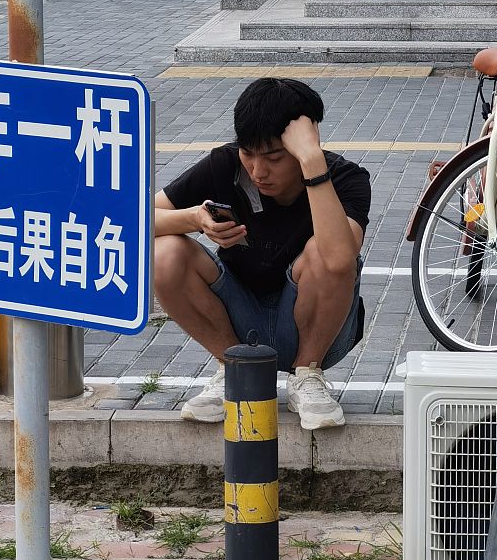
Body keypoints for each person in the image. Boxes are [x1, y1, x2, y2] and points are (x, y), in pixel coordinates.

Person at [154, 77, 371, 430]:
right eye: (248, 154)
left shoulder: (346, 179)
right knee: (164, 251)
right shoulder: (225, 165)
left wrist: (312, 163)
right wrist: (193, 218)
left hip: (319, 332)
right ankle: (233, 370)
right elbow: (139, 218)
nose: (258, 171)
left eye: (274, 157)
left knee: (327, 248)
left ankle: (307, 377)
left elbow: (338, 260)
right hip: (239, 320)